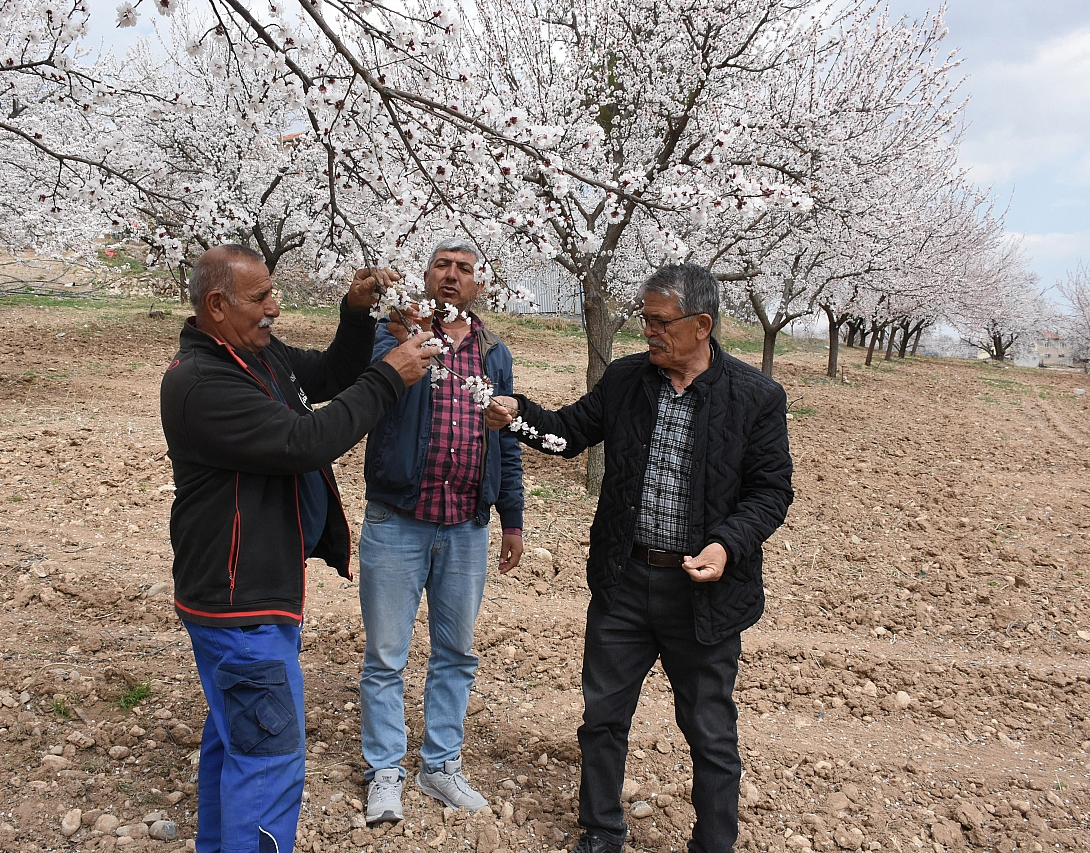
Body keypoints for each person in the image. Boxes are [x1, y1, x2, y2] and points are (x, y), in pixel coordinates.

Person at [485, 263, 794, 853]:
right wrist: (518, 416)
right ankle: (600, 832)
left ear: (701, 325)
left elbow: (771, 491)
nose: (647, 331)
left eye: (659, 321)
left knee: (709, 733)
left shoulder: (755, 397)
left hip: (703, 594)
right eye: (644, 319)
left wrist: (726, 544)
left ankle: (713, 844)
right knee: (602, 720)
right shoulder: (628, 379)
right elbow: (569, 433)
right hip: (624, 582)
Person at [160, 244, 434, 853]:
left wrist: (355, 315)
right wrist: (390, 377)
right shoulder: (202, 384)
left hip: (248, 593)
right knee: (268, 758)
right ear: (216, 304)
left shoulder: (252, 354)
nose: (274, 308)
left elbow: (328, 376)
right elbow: (303, 441)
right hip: (239, 604)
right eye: (259, 298)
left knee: (236, 739)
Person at [358, 237, 525, 824]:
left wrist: (513, 518)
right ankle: (385, 771)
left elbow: (504, 437)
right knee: (385, 655)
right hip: (397, 520)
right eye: (442, 266)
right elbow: (367, 389)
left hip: (464, 526)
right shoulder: (396, 336)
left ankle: (441, 766)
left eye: (464, 269)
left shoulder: (493, 351)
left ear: (480, 283)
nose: (452, 276)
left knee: (456, 652)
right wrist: (404, 336)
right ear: (426, 275)